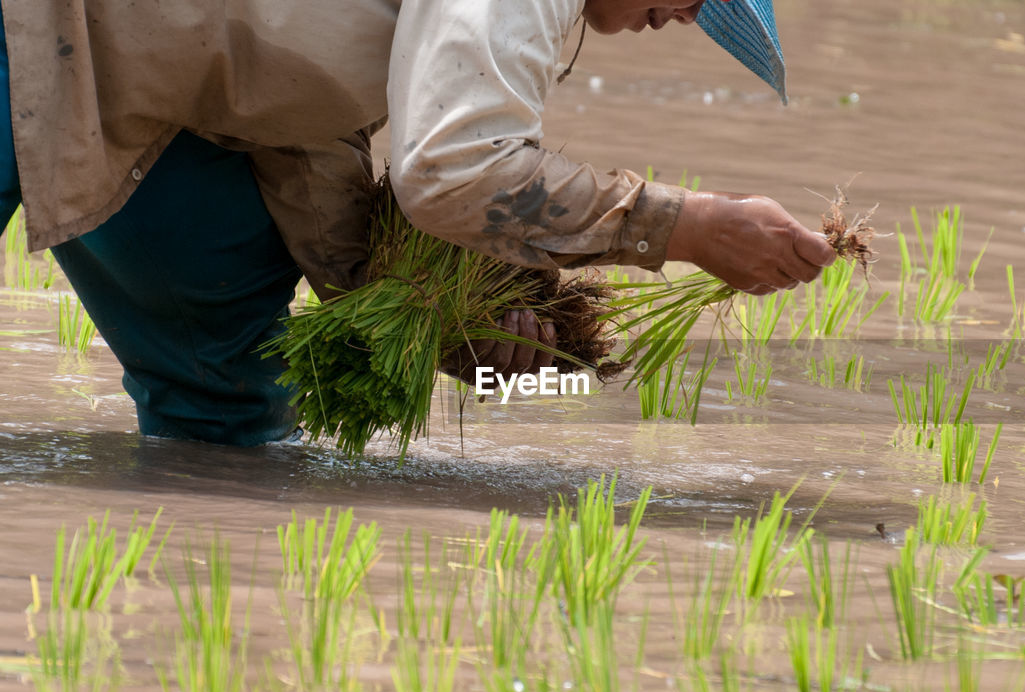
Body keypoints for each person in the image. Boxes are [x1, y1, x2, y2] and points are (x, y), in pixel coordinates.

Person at [0, 0, 834, 446]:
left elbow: (299, 113)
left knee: (226, 411)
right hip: (43, 27)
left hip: (162, 101)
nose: (688, 16)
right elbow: (453, 167)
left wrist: (431, 317)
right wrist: (687, 228)